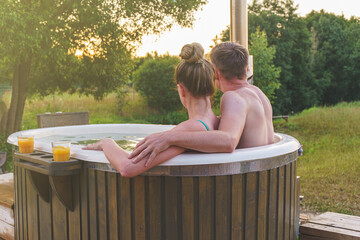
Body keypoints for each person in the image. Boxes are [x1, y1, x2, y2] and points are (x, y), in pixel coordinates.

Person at [83, 42, 219, 177]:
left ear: (181, 90)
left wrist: (106, 143)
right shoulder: (215, 121)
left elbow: (128, 167)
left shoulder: (191, 128)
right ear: (212, 86)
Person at [129, 41, 274, 166]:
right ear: (246, 69)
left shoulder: (233, 97)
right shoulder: (258, 94)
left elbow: (228, 141)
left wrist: (169, 138)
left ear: (215, 74)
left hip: (243, 183)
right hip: (264, 175)